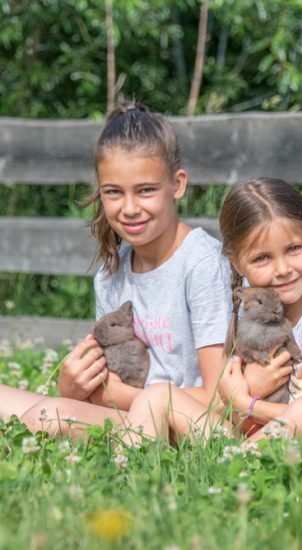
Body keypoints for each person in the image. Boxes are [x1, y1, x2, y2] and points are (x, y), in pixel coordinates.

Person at [0, 102, 232, 434]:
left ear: (177, 185)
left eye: (146, 190)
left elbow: (218, 398)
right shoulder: (111, 275)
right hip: (129, 414)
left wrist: (114, 396)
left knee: (47, 415)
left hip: (189, 422)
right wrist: (74, 388)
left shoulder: (202, 263)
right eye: (113, 192)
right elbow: (104, 383)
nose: (130, 208)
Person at [122, 177, 302, 448]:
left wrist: (248, 403)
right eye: (262, 258)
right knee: (156, 397)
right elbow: (231, 406)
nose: (282, 269)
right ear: (238, 263)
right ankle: (132, 482)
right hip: (255, 442)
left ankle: (233, 469)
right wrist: (237, 404)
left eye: (293, 249)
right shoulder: (249, 308)